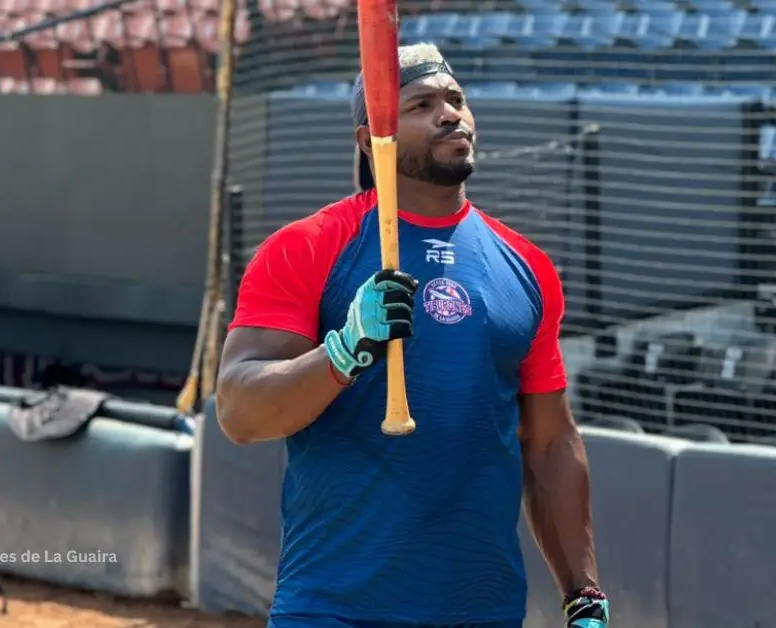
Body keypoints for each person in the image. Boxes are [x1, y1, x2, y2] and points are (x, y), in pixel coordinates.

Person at [216, 43, 609, 628]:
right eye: (421, 104)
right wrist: (344, 350)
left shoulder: (527, 267)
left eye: (456, 100)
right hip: (334, 610)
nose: (451, 114)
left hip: (483, 611)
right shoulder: (307, 247)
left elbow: (550, 445)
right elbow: (239, 412)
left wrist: (584, 594)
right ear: (371, 141)